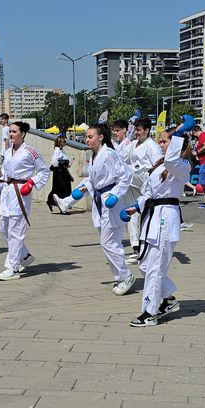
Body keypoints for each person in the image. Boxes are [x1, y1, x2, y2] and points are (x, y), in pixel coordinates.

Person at [122, 116, 195, 326]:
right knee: (145, 264)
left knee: (154, 267)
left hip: (165, 216)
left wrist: (179, 133)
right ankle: (169, 299)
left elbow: (172, 161)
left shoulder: (182, 165)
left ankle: (150, 312)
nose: (160, 144)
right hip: (152, 215)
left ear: (177, 144)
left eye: (164, 141)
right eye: (161, 141)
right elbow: (148, 191)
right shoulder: (160, 165)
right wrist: (136, 207)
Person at [59, 123, 135, 296]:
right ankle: (120, 276)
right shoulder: (94, 155)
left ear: (101, 137)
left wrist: (115, 194)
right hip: (100, 200)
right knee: (109, 243)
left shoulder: (109, 154)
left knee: (108, 242)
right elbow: (93, 181)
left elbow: (126, 176)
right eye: (86, 136)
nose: (87, 139)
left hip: (111, 201)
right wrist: (78, 192)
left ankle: (126, 275)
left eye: (90, 136)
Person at [0, 121, 48, 281]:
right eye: (9, 131)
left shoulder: (30, 151)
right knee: (4, 229)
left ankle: (12, 268)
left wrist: (31, 183)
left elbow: (44, 170)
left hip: (21, 193)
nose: (11, 134)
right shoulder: (8, 151)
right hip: (7, 192)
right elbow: (5, 176)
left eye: (14, 132)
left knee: (16, 232)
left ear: (23, 134)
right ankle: (24, 256)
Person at [124, 117, 164, 261]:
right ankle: (136, 247)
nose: (136, 133)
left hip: (145, 180)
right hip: (133, 182)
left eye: (139, 130)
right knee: (130, 212)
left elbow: (159, 166)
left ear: (147, 130)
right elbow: (122, 157)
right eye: (135, 129)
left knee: (125, 170)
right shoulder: (133, 144)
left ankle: (147, 246)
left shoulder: (152, 146)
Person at [46, 134, 74, 214]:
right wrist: (61, 165)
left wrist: (66, 167)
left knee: (66, 189)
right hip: (59, 173)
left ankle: (62, 206)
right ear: (59, 143)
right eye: (63, 141)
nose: (65, 142)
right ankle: (52, 201)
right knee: (61, 189)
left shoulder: (62, 151)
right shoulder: (57, 150)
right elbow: (54, 162)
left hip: (63, 172)